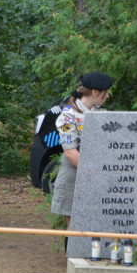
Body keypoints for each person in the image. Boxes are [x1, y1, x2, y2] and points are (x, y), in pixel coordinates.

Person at [49, 73, 112, 225]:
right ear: (95, 91)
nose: (108, 96)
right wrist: (93, 173)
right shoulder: (68, 115)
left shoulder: (102, 113)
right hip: (75, 178)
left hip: (97, 178)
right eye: (106, 91)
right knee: (75, 226)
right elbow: (70, 152)